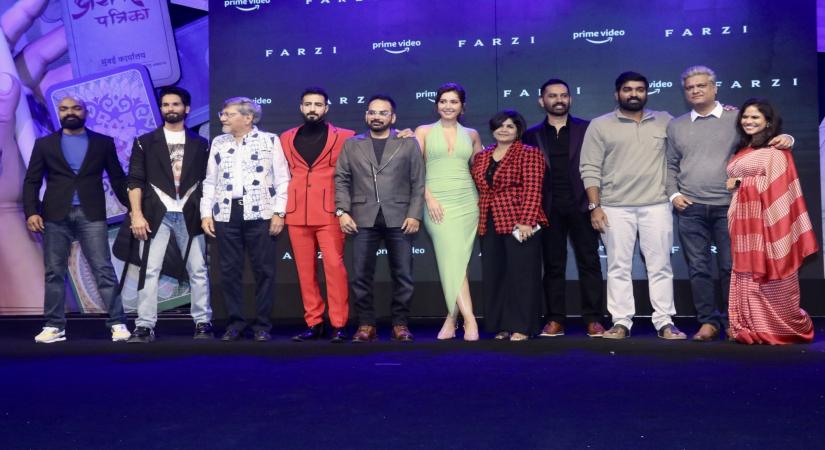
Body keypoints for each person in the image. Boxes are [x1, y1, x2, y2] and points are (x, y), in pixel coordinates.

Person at [666, 66, 795, 341]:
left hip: (731, 207)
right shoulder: (676, 125)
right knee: (699, 268)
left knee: (730, 267)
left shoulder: (736, 117)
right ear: (685, 92)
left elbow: (760, 142)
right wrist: (674, 194)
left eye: (702, 86)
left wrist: (788, 138)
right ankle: (707, 323)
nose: (696, 91)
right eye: (690, 87)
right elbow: (670, 165)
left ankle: (732, 321)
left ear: (714, 88)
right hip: (690, 208)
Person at [580, 71, 686, 340]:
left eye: (639, 89)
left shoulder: (665, 120)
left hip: (657, 205)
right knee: (617, 266)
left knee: (661, 265)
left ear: (646, 93)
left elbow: (690, 135)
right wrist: (595, 206)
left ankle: (664, 322)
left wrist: (727, 111)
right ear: (617, 94)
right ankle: (621, 322)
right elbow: (589, 168)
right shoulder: (600, 125)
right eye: (627, 89)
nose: (634, 94)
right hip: (615, 207)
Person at [23, 96, 131, 343]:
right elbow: (32, 181)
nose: (69, 112)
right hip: (54, 214)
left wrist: (133, 208)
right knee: (54, 272)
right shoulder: (44, 144)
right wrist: (31, 212)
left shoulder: (102, 143)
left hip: (91, 212)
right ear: (58, 113)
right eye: (64, 109)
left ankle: (118, 322)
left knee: (103, 269)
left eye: (75, 108)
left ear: (85, 111)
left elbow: (117, 177)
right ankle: (54, 326)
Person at [334, 94, 425, 343]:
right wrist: (342, 212)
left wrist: (415, 214)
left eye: (383, 112)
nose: (376, 116)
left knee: (403, 276)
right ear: (366, 115)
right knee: (361, 275)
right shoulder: (353, 144)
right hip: (362, 218)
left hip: (400, 217)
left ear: (392, 117)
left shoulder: (408, 143)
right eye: (372, 112)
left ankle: (400, 325)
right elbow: (341, 178)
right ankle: (366, 325)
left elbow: (418, 181)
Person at [725, 98, 817, 345]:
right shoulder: (742, 149)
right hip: (743, 224)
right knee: (745, 274)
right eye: (745, 116)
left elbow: (777, 191)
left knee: (773, 273)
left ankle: (779, 327)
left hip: (769, 225)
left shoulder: (776, 151)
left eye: (755, 117)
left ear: (768, 122)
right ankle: (749, 325)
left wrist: (741, 184)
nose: (748, 121)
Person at [125, 86, 212, 343]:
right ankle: (144, 326)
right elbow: (134, 181)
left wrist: (207, 214)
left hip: (191, 212)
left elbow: (208, 182)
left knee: (198, 270)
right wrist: (136, 215)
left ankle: (203, 323)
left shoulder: (201, 143)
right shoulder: (145, 141)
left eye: (175, 104)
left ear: (186, 108)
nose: (170, 109)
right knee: (150, 270)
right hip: (155, 214)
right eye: (165, 105)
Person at [201, 97, 290, 342]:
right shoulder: (219, 142)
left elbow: (282, 178)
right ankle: (235, 323)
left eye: (228, 114)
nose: (223, 118)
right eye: (223, 113)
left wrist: (279, 212)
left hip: (261, 212)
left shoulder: (270, 140)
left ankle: (262, 325)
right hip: (226, 213)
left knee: (264, 271)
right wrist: (206, 213)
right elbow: (210, 180)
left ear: (248, 117)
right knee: (229, 271)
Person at [521, 78, 606, 338]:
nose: (559, 100)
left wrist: (595, 205)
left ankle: (593, 318)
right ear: (541, 101)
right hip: (547, 210)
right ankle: (555, 319)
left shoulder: (587, 129)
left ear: (570, 99)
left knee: (589, 263)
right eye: (552, 96)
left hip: (582, 205)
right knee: (553, 265)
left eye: (563, 95)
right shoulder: (531, 134)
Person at [280, 87, 355, 343]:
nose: (313, 108)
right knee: (304, 271)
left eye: (318, 104)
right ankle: (314, 322)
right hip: (296, 212)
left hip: (330, 212)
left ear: (327, 108)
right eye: (308, 104)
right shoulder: (286, 137)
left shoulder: (346, 136)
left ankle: (339, 324)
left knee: (334, 268)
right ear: (301, 107)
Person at [471, 110, 547, 341]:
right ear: (492, 130)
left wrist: (526, 220)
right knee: (496, 274)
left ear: (518, 131)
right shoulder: (482, 156)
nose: (504, 129)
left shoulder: (529, 153)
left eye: (510, 126)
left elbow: (533, 189)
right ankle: (502, 324)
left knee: (522, 275)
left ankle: (522, 326)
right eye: (499, 126)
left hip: (520, 222)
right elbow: (482, 189)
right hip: (489, 221)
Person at [414, 83, 482, 341]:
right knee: (450, 259)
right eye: (443, 101)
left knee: (458, 262)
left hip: (467, 201)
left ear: (463, 106)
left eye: (454, 102)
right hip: (436, 201)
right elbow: (415, 169)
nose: (448, 106)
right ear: (436, 105)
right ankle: (471, 320)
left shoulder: (472, 134)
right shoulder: (423, 131)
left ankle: (451, 320)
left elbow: (481, 168)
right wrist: (428, 198)